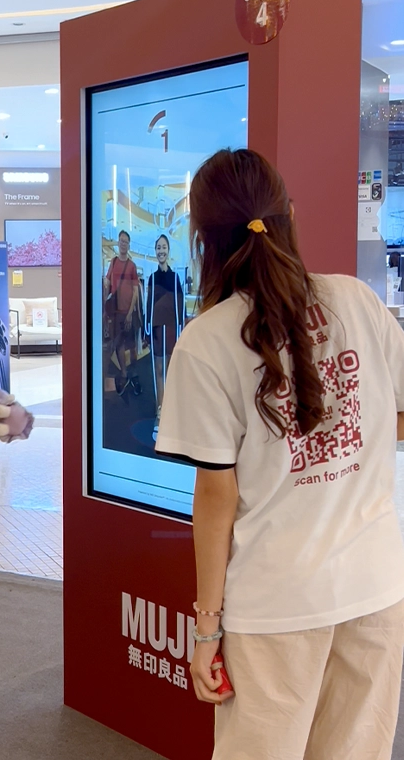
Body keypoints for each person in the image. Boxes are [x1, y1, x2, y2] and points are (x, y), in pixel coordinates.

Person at [156, 149, 404, 760]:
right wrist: (355, 434)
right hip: (374, 587)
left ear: (201, 240)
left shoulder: (206, 343)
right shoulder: (357, 301)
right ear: (289, 216)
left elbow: (215, 499)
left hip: (275, 604)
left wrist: (206, 629)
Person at [145, 234, 185, 438]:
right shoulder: (152, 278)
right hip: (158, 330)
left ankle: (169, 411)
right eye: (158, 247)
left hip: (170, 330)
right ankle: (160, 411)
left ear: (168, 251)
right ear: (156, 251)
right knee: (158, 370)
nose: (161, 251)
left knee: (169, 370)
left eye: (164, 247)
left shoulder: (175, 278)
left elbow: (180, 307)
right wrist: (147, 330)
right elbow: (148, 305)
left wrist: (181, 330)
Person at [104, 230, 142, 396]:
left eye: (126, 241)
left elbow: (135, 291)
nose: (123, 244)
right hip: (115, 312)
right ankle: (124, 374)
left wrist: (129, 313)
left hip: (128, 312)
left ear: (129, 244)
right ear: (118, 243)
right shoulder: (112, 262)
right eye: (121, 241)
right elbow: (107, 283)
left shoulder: (132, 266)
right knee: (118, 344)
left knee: (131, 345)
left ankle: (134, 375)